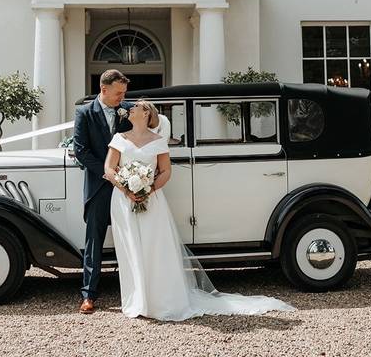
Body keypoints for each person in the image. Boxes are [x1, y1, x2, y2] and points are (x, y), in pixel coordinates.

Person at [104, 99, 296, 321]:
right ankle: (138, 301)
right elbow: (109, 168)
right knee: (131, 249)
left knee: (153, 247)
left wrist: (148, 189)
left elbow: (165, 171)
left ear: (146, 113)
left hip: (151, 200)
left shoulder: (157, 141)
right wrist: (126, 189)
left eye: (135, 107)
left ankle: (158, 300)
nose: (130, 109)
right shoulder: (119, 139)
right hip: (123, 201)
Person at [72, 69, 132, 314]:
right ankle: (89, 295)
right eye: (118, 93)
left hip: (128, 184)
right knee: (94, 240)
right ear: (104, 89)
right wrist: (109, 174)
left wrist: (128, 176)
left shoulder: (127, 110)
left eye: (124, 93)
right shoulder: (84, 113)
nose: (122, 98)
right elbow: (81, 151)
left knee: (131, 234)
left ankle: (135, 290)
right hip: (99, 185)